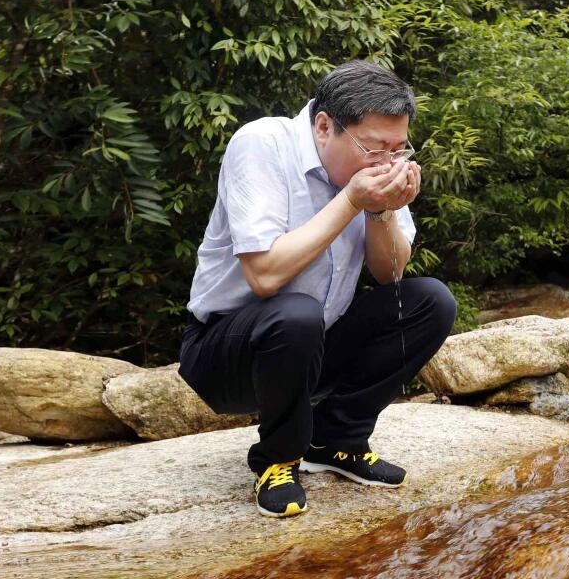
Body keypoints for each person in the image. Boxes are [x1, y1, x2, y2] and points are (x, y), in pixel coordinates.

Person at [177, 60, 457, 518]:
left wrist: (381, 211)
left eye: (398, 149)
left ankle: (337, 441)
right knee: (296, 312)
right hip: (227, 354)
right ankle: (278, 459)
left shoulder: (374, 174)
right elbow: (265, 275)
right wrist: (351, 202)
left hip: (313, 346)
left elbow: (390, 274)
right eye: (374, 148)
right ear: (324, 126)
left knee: (429, 301)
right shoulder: (261, 144)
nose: (387, 162)